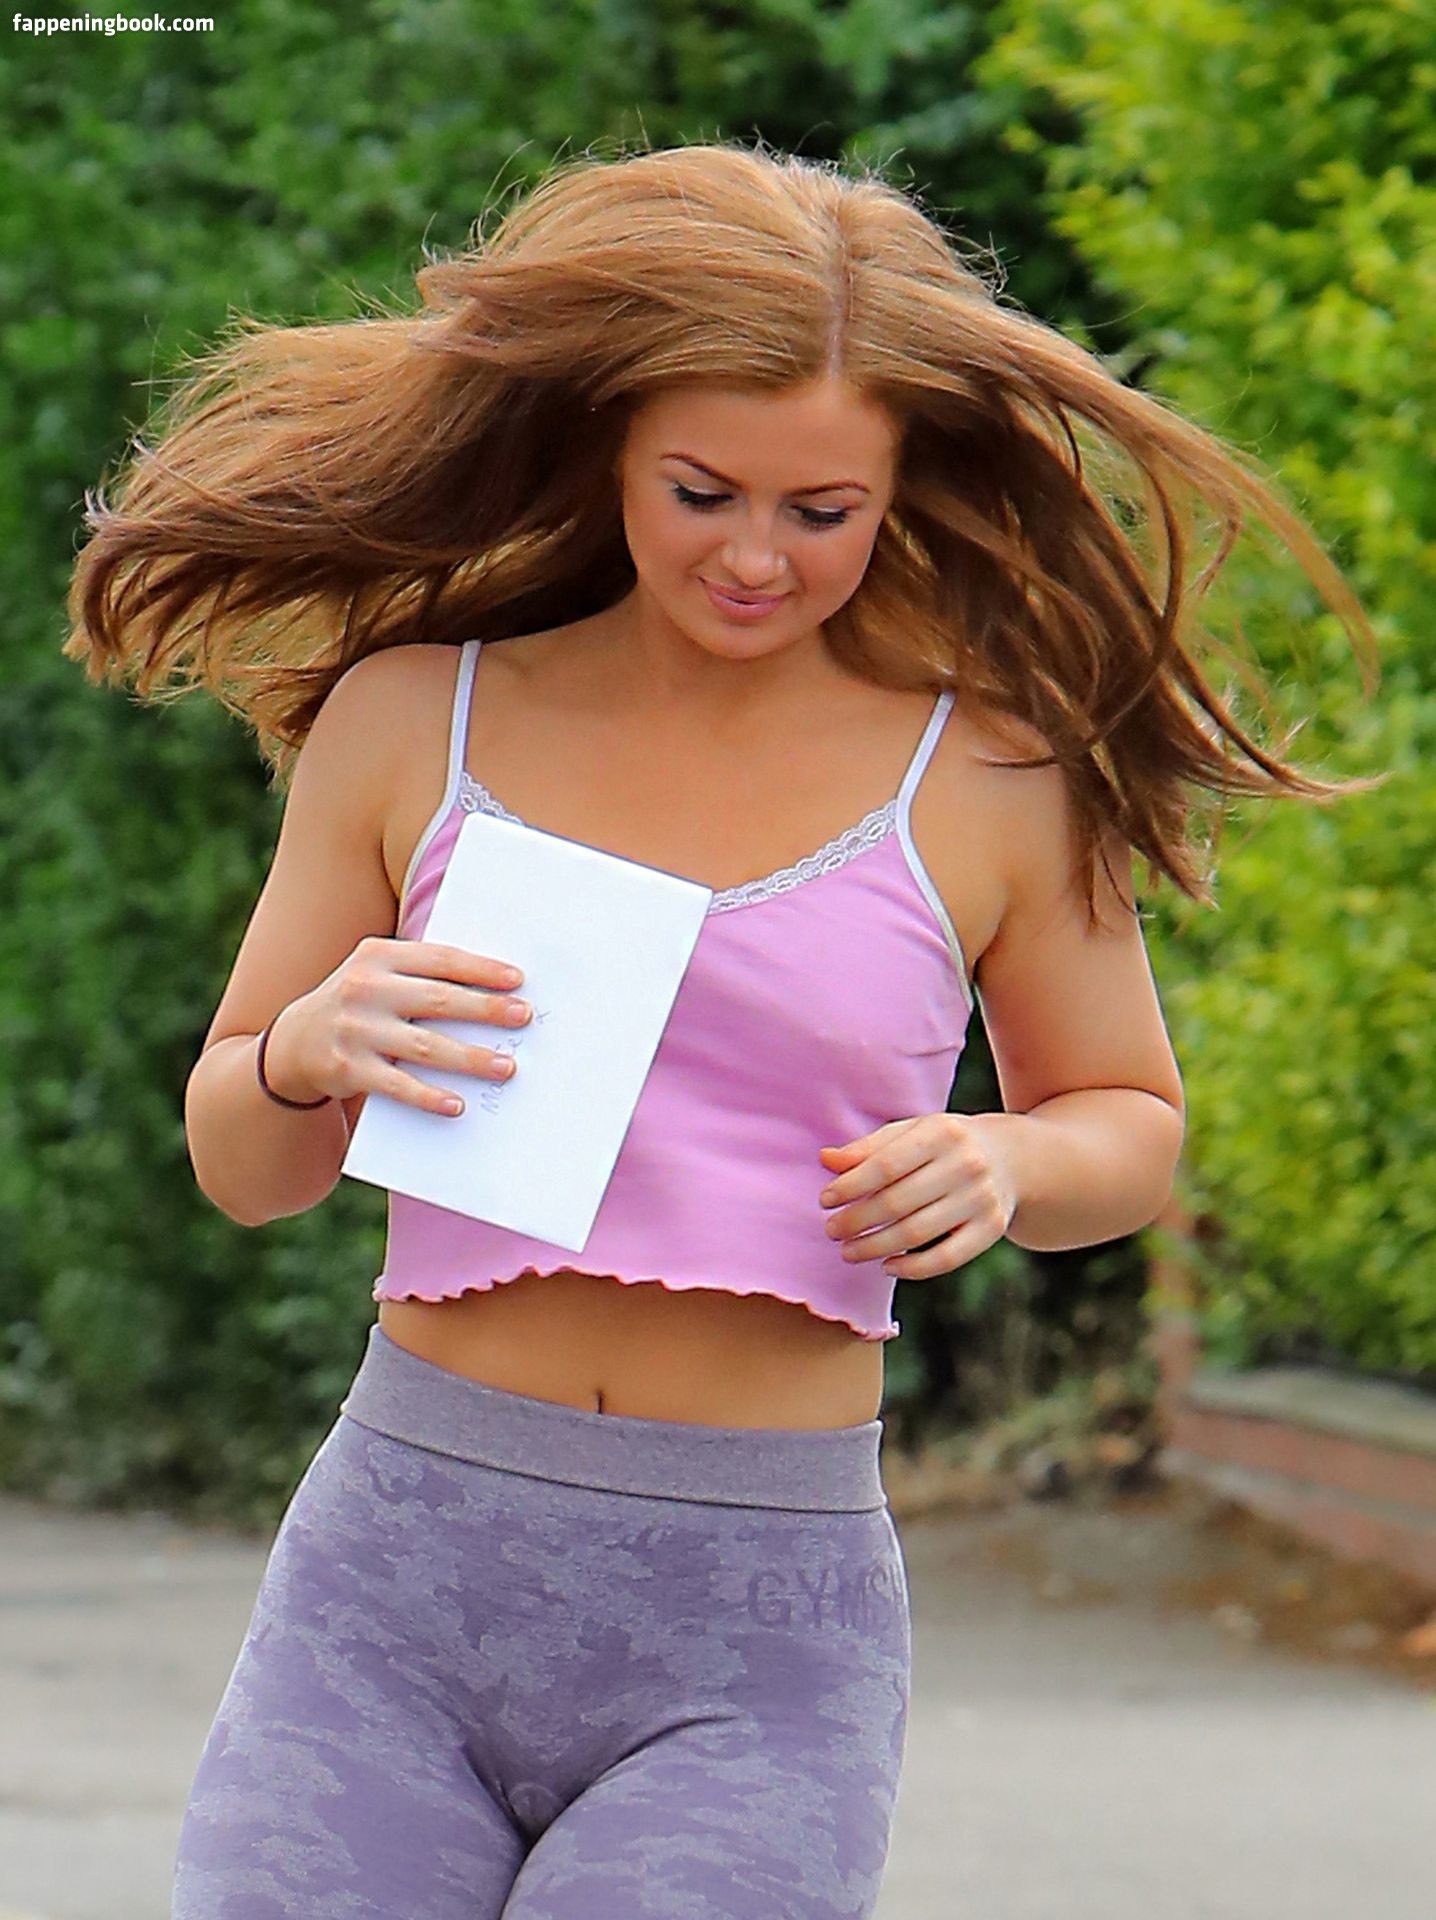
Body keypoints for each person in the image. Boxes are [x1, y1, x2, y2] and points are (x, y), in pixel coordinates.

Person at [67, 140, 1377, 1920]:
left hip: (757, 1642)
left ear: (898, 487)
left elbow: (1129, 1125)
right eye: (702, 492)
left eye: (822, 512)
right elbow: (244, 1164)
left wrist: (1008, 1158)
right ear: (613, 443)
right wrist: (307, 1049)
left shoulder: (992, 773)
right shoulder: (412, 719)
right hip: (389, 1592)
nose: (757, 557)